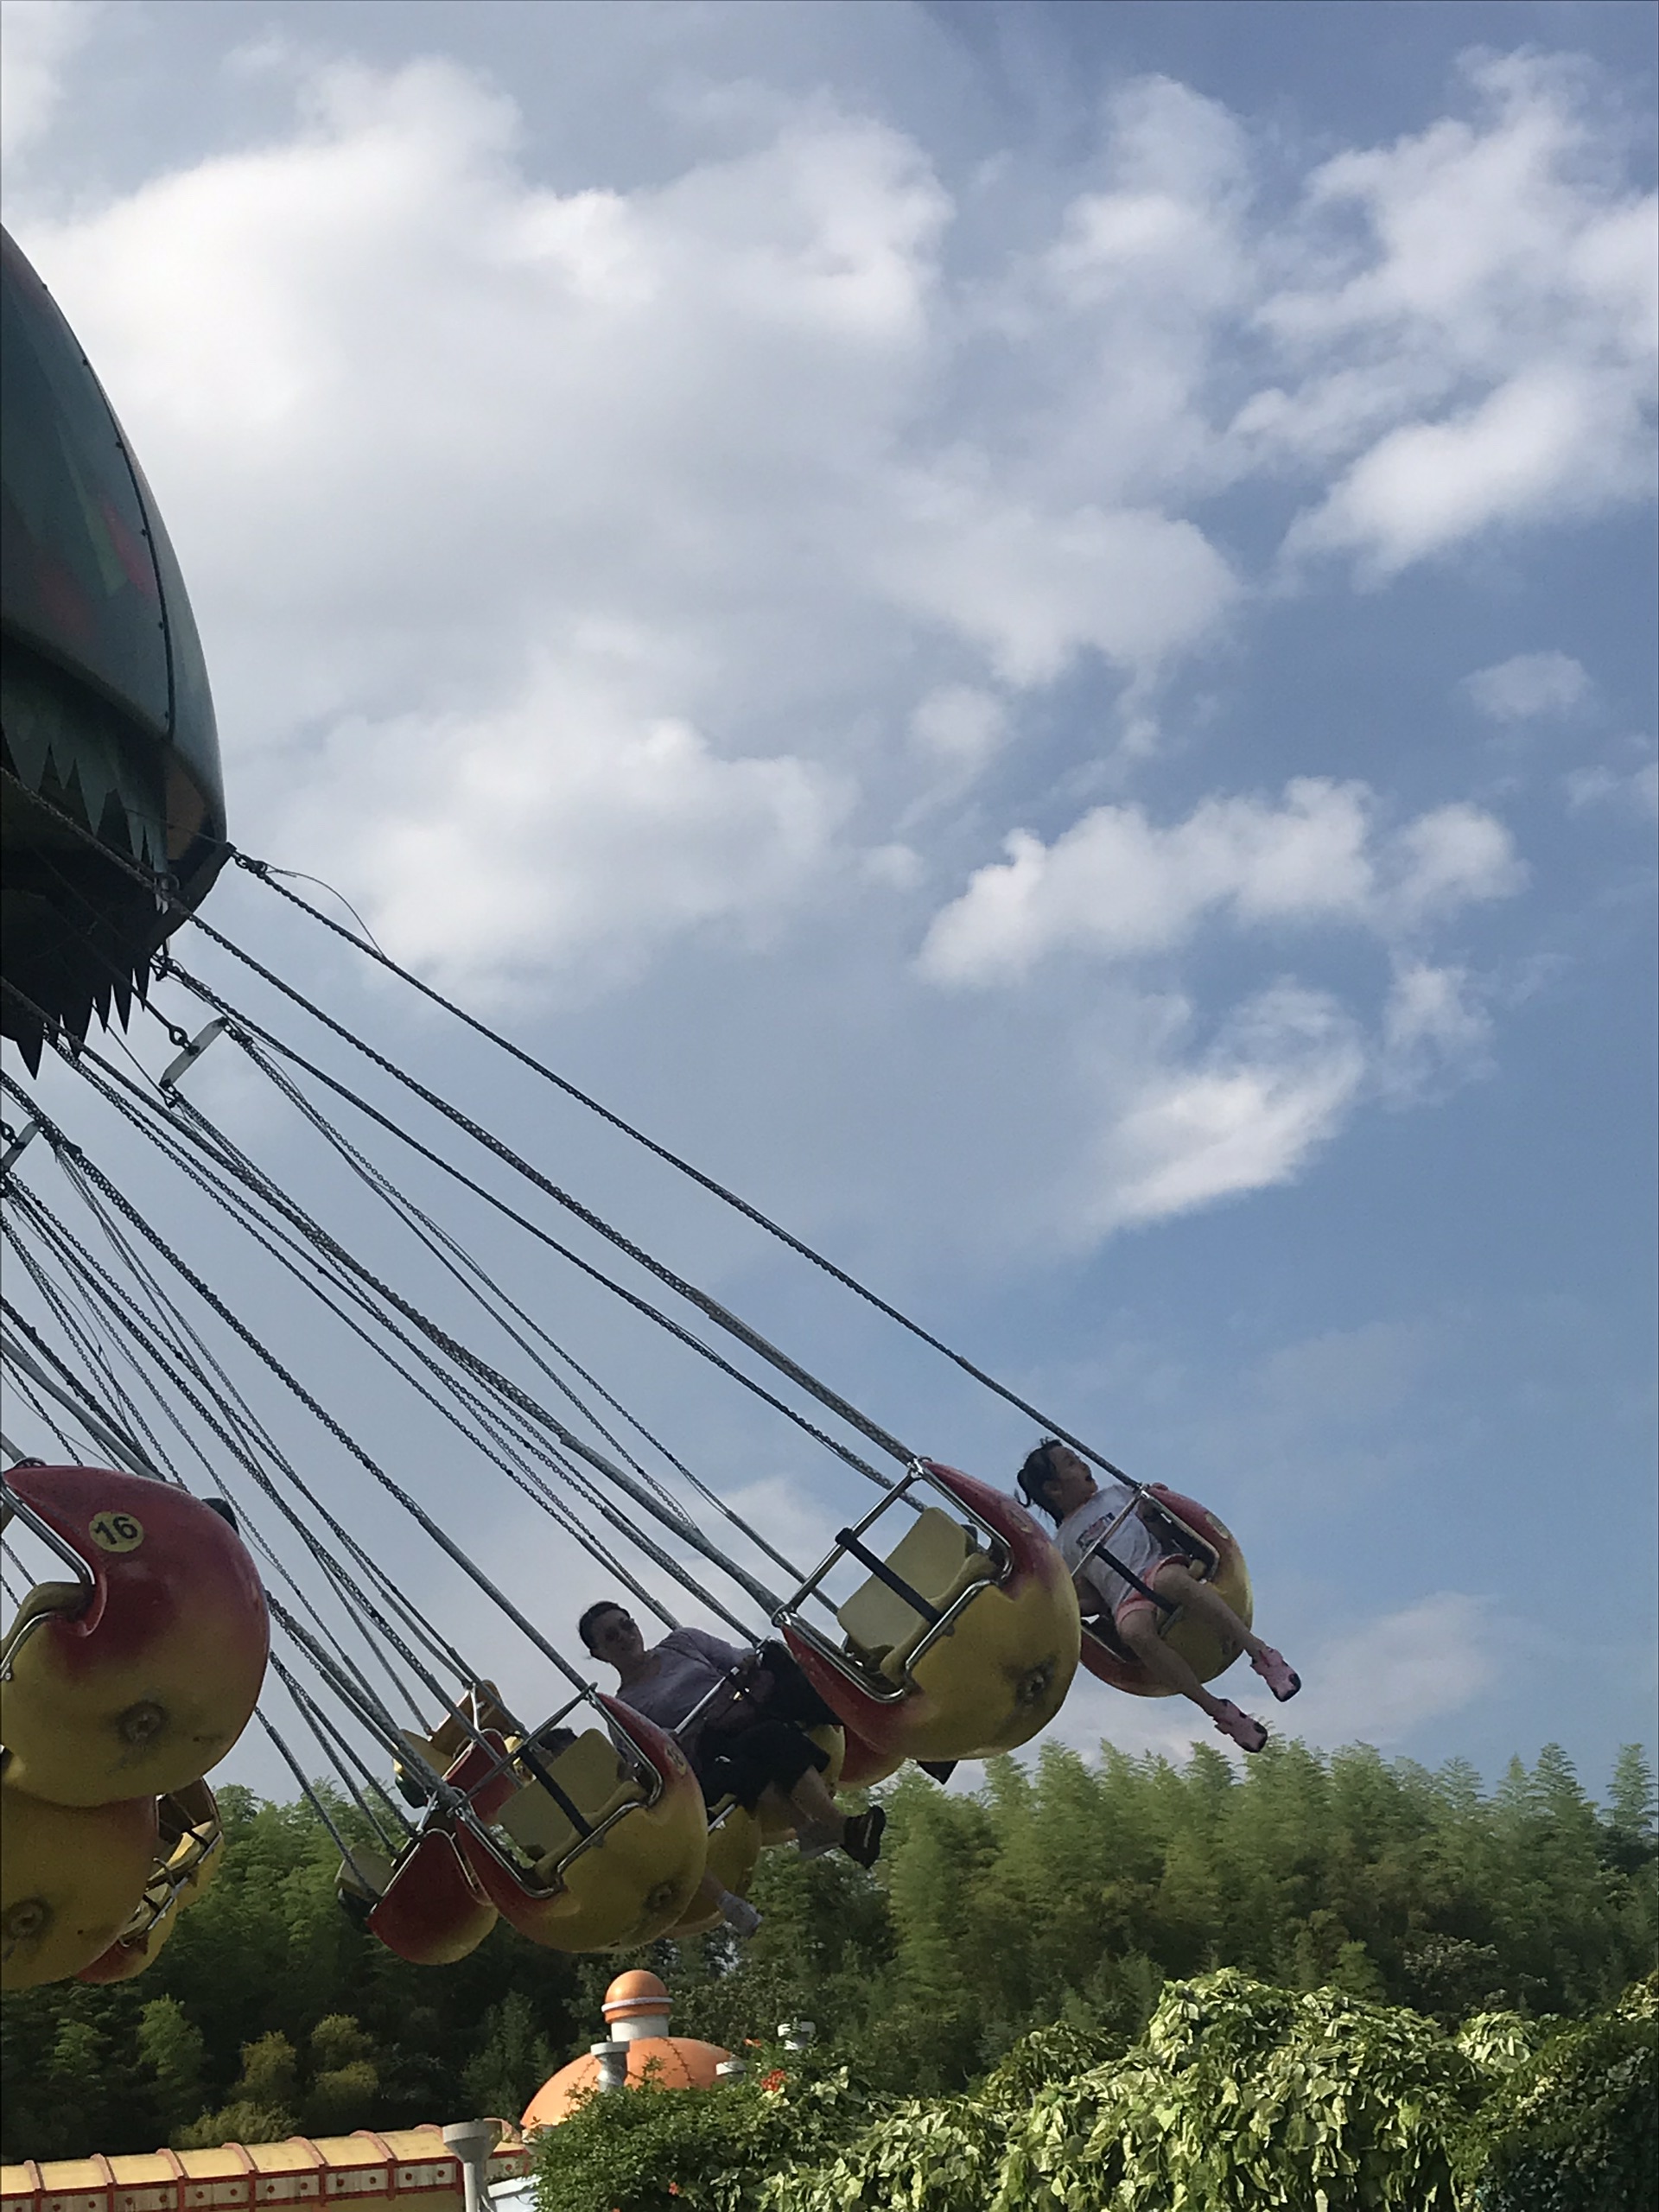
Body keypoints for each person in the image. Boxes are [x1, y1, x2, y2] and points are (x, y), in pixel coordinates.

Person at [577, 1601, 885, 1934]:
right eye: (612, 1636)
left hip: (748, 1706)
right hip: (715, 1747)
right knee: (764, 1738)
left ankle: (878, 1706)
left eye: (627, 1625)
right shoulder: (626, 1709)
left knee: (790, 1679)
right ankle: (840, 1826)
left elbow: (739, 1658)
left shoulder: (683, 1642)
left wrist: (744, 1670)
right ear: (599, 1654)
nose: (625, 1636)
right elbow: (647, 1764)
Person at [1016, 1440, 1300, 1754]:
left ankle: (1260, 1652)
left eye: (1079, 1459)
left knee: (1171, 1581)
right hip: (1125, 1598)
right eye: (1071, 1463)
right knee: (1133, 1632)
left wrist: (1154, 1512)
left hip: (1155, 1566)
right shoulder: (1065, 1543)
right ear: (1054, 1489)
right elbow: (1093, 1597)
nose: (1083, 1465)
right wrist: (1064, 1609)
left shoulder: (1117, 1495)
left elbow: (1163, 1531)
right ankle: (1219, 1711)